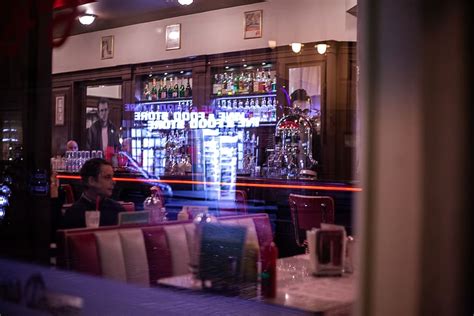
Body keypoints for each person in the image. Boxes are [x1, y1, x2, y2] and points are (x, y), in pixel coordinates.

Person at [61, 158, 124, 229]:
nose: (114, 182)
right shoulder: (74, 214)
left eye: (112, 177)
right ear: (91, 181)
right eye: (107, 177)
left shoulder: (117, 209)